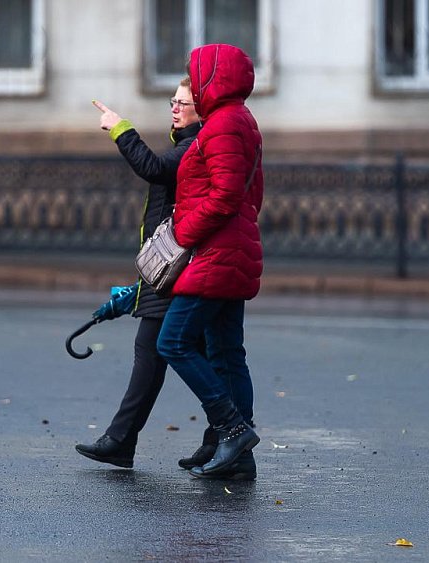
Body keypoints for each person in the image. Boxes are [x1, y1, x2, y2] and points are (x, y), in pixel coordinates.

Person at [74, 78, 203, 468]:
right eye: (174, 101)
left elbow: (151, 168)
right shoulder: (187, 144)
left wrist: (119, 128)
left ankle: (227, 431)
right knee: (182, 353)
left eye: (184, 103)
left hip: (174, 267)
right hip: (165, 266)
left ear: (203, 108)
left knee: (160, 352)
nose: (175, 108)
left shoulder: (192, 148)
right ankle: (224, 434)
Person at [156, 44, 264, 481]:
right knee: (225, 352)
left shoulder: (222, 125)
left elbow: (224, 196)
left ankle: (232, 430)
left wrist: (183, 232)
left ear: (211, 78)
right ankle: (237, 456)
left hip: (216, 252)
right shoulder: (240, 120)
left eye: (195, 77)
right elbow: (250, 194)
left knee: (173, 342)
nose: (192, 85)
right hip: (231, 248)